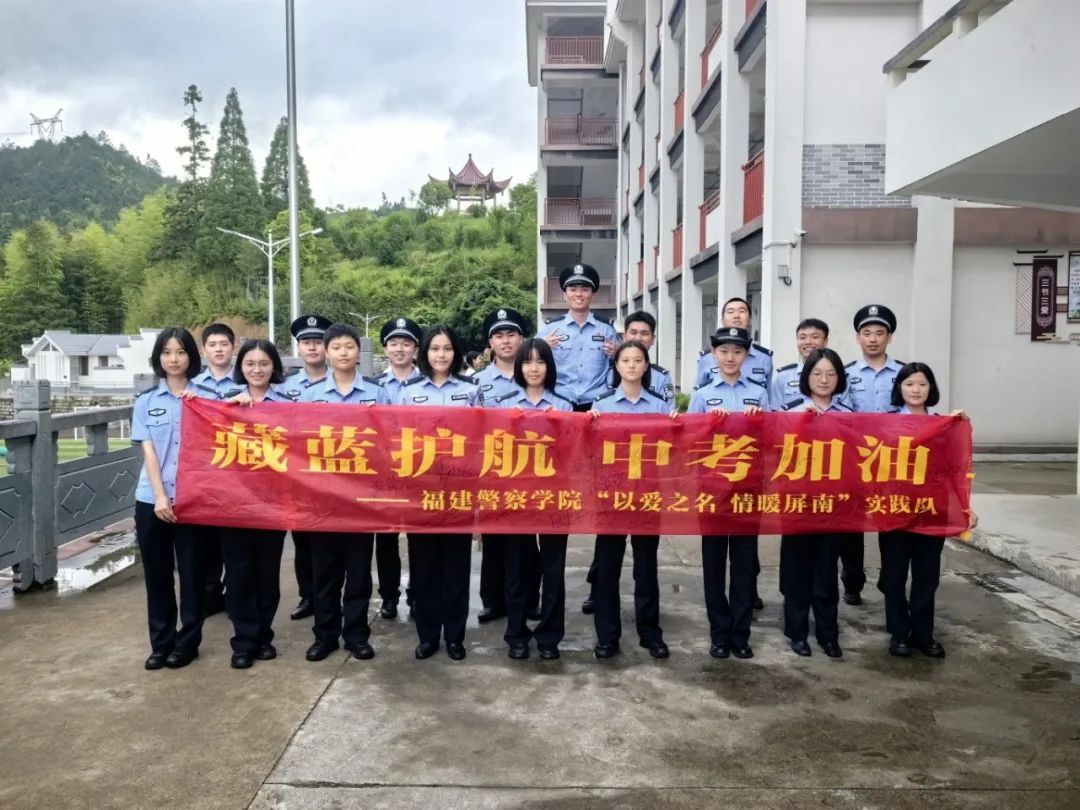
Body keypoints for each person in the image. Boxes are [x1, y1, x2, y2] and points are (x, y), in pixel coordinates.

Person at [298, 323, 391, 662]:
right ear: (326, 351)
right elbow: (298, 444)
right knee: (324, 575)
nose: (342, 352)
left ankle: (356, 635)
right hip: (322, 500)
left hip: (361, 502)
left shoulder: (377, 393)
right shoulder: (310, 395)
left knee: (358, 575)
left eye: (349, 347)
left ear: (358, 352)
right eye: (336, 347)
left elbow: (389, 440)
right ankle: (324, 637)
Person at [878, 362, 975, 659]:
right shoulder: (885, 423)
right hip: (895, 510)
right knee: (894, 576)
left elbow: (956, 469)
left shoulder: (944, 424)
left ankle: (923, 633)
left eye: (922, 384)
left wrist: (965, 506)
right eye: (909, 384)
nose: (916, 390)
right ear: (899, 389)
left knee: (927, 575)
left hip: (932, 511)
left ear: (930, 388)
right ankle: (898, 633)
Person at [582, 310, 675, 615]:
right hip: (612, 495)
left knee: (646, 565)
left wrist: (676, 426)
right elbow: (589, 453)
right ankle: (607, 635)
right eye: (625, 361)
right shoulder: (601, 406)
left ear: (646, 366)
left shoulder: (661, 407)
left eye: (638, 361)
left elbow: (670, 453)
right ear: (617, 366)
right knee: (609, 565)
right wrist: (588, 425)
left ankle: (650, 629)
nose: (632, 366)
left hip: (647, 494)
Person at [395, 325, 479, 661]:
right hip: (422, 492)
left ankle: (455, 636)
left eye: (447, 349)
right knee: (425, 567)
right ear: (424, 353)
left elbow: (484, 437)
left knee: (456, 568)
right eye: (434, 349)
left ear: (455, 352)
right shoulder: (407, 391)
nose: (441, 355)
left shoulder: (471, 390)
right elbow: (397, 440)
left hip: (459, 490)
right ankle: (428, 635)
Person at [686, 326, 769, 660]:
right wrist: (710, 426)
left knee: (745, 564)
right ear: (713, 354)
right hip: (713, 491)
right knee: (714, 564)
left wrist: (758, 422)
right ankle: (719, 634)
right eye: (724, 351)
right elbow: (689, 442)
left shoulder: (759, 394)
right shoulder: (703, 396)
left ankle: (741, 633)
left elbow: (773, 440)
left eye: (737, 352)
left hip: (749, 489)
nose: (730, 357)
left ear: (746, 355)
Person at [132, 327, 211, 670]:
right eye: (167, 352)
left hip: (194, 500)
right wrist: (161, 496)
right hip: (153, 499)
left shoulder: (207, 398)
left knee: (193, 574)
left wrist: (241, 402)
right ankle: (160, 642)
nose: (173, 359)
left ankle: (187, 642)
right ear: (158, 358)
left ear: (191, 357)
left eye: (180, 352)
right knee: (157, 574)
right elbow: (149, 452)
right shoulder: (146, 402)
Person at [493, 338, 574, 660]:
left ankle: (550, 637)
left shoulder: (565, 407)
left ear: (549, 366)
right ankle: (516, 634)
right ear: (519, 367)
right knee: (516, 568)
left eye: (541, 362)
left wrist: (563, 425)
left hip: (555, 499)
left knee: (553, 569)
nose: (534, 368)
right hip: (516, 499)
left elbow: (577, 455)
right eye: (528, 362)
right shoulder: (505, 405)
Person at [218, 340, 295, 669]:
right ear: (242, 368)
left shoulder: (289, 404)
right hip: (235, 504)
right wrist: (226, 410)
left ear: (273, 366)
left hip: (273, 503)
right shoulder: (226, 404)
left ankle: (263, 634)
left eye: (264, 363)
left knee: (267, 572)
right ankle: (243, 640)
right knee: (238, 574)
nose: (257, 369)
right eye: (250, 363)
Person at [778, 348, 851, 658]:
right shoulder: (790, 411)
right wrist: (800, 426)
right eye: (817, 374)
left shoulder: (849, 416)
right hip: (796, 502)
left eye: (831, 374)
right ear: (806, 378)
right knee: (796, 568)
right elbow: (773, 452)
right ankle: (797, 632)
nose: (824, 380)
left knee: (826, 569)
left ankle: (828, 633)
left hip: (832, 504)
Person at [475, 308, 539, 625]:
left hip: (529, 471)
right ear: (491, 343)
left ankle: (530, 600)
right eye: (499, 336)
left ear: (521, 338)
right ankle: (493, 600)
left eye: (511, 334)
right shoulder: (477, 382)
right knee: (494, 538)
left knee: (527, 541)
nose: (505, 341)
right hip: (492, 470)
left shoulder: (533, 372)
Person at [840, 304, 905, 606]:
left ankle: (889, 578)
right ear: (858, 338)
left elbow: (913, 413)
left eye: (879, 333)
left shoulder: (904, 374)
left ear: (889, 337)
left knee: (889, 522)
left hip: (892, 462)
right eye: (867, 333)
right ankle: (852, 580)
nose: (873, 339)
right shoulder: (845, 375)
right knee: (852, 525)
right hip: (854, 461)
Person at [281, 314, 332, 623]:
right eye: (306, 343)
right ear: (299, 348)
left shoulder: (340, 381)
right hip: (299, 477)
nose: (312, 348)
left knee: (334, 542)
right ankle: (307, 595)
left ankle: (330, 597)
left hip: (339, 478)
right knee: (303, 540)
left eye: (318, 342)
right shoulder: (286, 387)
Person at [373, 316, 424, 620]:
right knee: (386, 538)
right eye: (394, 343)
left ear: (416, 349)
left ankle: (417, 592)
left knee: (418, 537)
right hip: (385, 474)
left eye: (406, 343)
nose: (400, 349)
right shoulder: (375, 386)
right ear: (386, 349)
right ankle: (389, 596)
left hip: (420, 472)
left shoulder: (428, 383)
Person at [193, 322, 238, 617]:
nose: (219, 349)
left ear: (233, 348)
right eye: (213, 344)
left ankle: (235, 598)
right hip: (206, 474)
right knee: (206, 543)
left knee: (234, 544)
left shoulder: (246, 380)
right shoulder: (192, 387)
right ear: (204, 350)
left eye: (224, 344)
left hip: (240, 476)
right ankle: (210, 596)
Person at [535, 263, 618, 411]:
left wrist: (616, 353)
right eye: (573, 290)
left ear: (593, 295)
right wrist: (542, 347)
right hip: (559, 402)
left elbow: (619, 365)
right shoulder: (550, 329)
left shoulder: (607, 329)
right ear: (565, 295)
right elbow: (529, 360)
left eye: (585, 290)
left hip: (596, 405)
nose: (578, 294)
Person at [695, 297, 773, 388]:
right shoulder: (706, 358)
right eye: (730, 312)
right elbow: (698, 394)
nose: (736, 315)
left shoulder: (764, 358)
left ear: (750, 320)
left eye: (742, 311)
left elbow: (769, 398)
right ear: (722, 321)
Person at [769, 318, 830, 411]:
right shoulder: (782, 377)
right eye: (802, 337)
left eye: (815, 337)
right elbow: (774, 414)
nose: (808, 342)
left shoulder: (837, 376)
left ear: (825, 341)